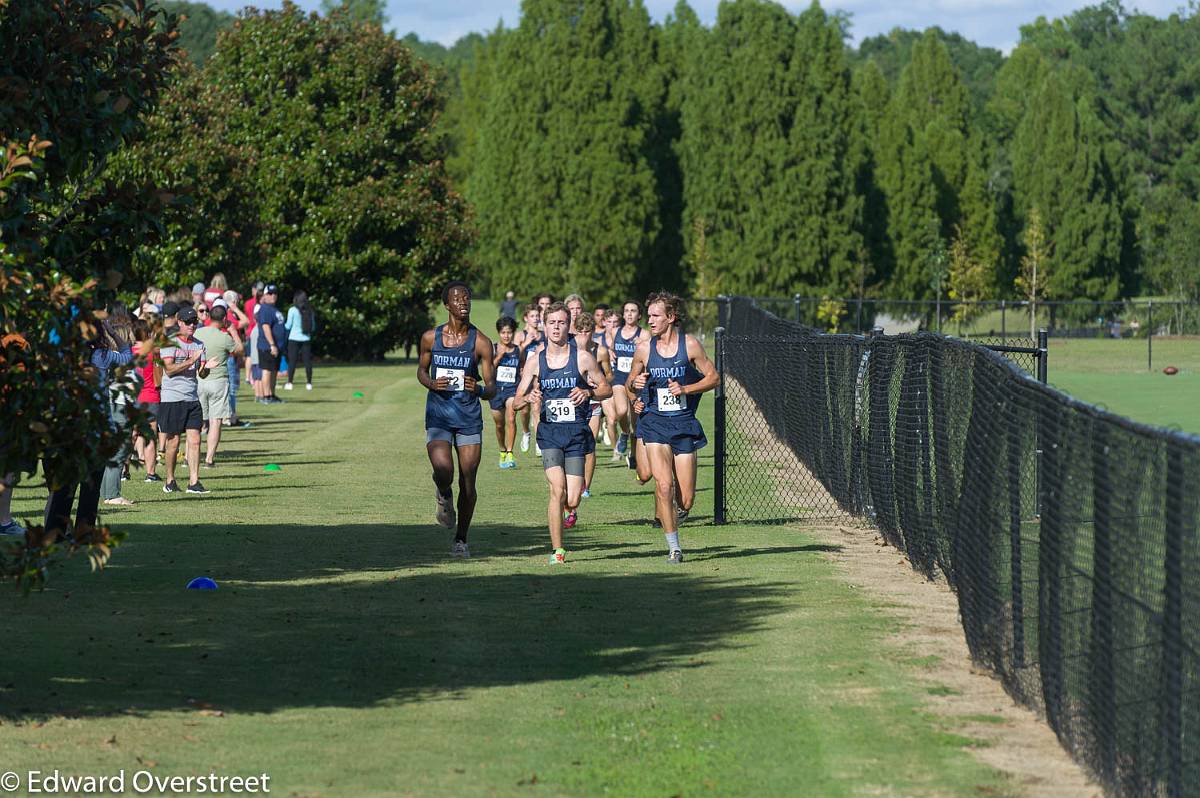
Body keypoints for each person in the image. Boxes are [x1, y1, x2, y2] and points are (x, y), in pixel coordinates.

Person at [513, 302, 611, 563]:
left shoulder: (582, 358)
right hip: (550, 434)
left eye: (561, 322)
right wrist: (529, 396)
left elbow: (606, 389)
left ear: (569, 326)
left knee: (573, 496)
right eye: (552, 322)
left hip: (576, 433)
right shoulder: (535, 361)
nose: (556, 327)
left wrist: (588, 392)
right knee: (556, 490)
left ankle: (570, 510)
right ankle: (558, 550)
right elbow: (515, 402)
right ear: (545, 326)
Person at [625, 292, 718, 564]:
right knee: (664, 486)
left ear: (670, 317)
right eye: (649, 315)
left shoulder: (690, 345)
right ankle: (674, 547)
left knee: (686, 500)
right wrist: (635, 388)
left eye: (655, 316)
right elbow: (631, 381)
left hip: (684, 424)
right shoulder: (644, 349)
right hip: (654, 423)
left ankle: (678, 511)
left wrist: (686, 388)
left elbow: (714, 378)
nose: (650, 320)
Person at [417, 281, 496, 557]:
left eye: (467, 298)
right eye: (457, 298)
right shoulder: (431, 338)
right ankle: (443, 493)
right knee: (443, 470)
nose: (463, 302)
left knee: (468, 481)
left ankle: (461, 539)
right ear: (446, 304)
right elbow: (421, 371)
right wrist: (431, 384)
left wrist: (480, 389)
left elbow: (493, 387)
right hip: (438, 415)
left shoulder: (482, 343)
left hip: (468, 419)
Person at [158, 306, 210, 494]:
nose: (192, 325)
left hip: (192, 398)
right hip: (172, 399)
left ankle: (194, 482)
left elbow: (201, 374)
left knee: (195, 440)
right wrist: (190, 361)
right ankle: (170, 480)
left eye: (195, 321)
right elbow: (169, 370)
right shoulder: (169, 343)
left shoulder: (199, 344)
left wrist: (207, 367)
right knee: (173, 442)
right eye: (188, 322)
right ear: (179, 322)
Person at [99, 304, 138, 507]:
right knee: (120, 450)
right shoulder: (114, 358)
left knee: (115, 450)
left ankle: (108, 493)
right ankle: (112, 494)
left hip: (115, 404)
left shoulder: (106, 356)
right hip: (119, 405)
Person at [193, 305, 242, 467]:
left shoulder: (198, 333)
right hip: (219, 381)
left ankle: (189, 457)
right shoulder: (225, 337)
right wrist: (233, 331)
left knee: (196, 421)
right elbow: (240, 350)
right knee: (216, 421)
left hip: (199, 380)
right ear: (224, 319)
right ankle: (208, 459)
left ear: (209, 317)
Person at [572, 314, 613, 499]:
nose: (583, 335)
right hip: (574, 403)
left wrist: (599, 381)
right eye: (580, 331)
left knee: (589, 445)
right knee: (575, 446)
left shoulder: (600, 351)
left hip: (594, 401)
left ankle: (586, 487)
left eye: (587, 331)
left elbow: (610, 376)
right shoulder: (569, 349)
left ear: (593, 332)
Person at [609, 300, 645, 466]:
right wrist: (610, 352)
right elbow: (609, 348)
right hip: (619, 377)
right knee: (622, 411)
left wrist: (642, 346)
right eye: (627, 311)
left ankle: (633, 454)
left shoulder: (644, 334)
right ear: (623, 314)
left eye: (633, 311)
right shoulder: (615, 331)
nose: (630, 314)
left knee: (636, 422)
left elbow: (649, 355)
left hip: (636, 380)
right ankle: (623, 433)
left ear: (639, 315)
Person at [132, 318, 162, 483]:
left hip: (132, 398)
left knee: (131, 434)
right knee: (150, 436)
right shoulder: (154, 353)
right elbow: (161, 371)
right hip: (150, 396)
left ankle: (123, 471)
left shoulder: (128, 352)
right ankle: (150, 473)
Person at [490, 316, 521, 469]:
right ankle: (502, 450)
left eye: (509, 332)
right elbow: (488, 370)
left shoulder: (517, 350)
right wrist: (500, 356)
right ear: (499, 333)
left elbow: (521, 368)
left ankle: (510, 452)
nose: (506, 336)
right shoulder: (494, 348)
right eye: (503, 333)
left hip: (512, 390)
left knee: (511, 418)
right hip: (496, 391)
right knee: (499, 425)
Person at [516, 303, 544, 455]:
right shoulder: (520, 335)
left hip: (538, 375)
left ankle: (539, 441)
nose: (536, 319)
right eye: (532, 316)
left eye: (538, 316)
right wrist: (525, 343)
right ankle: (526, 432)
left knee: (537, 406)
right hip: (523, 375)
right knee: (524, 410)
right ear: (526, 318)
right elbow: (513, 354)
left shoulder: (544, 335)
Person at [255, 284, 288, 404]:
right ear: (265, 295)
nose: (273, 296)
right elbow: (265, 327)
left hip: (277, 346)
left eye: (275, 293)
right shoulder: (265, 309)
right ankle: (266, 396)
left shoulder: (274, 309)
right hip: (267, 346)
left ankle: (272, 394)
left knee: (274, 371)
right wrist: (272, 344)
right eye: (270, 293)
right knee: (267, 371)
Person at [284, 290, 315, 391]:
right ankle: (309, 383)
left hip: (293, 338)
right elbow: (313, 326)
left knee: (292, 361)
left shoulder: (292, 310)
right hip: (306, 338)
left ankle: (290, 382)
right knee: (307, 362)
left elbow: (288, 325)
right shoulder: (310, 310)